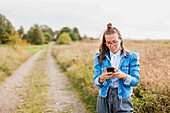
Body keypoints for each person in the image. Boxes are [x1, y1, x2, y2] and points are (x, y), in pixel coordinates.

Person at [93, 23, 140, 113]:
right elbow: (96, 81)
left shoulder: (131, 57)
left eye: (115, 42)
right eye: (109, 43)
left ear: (120, 40)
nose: (112, 45)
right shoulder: (99, 57)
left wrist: (123, 76)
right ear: (105, 43)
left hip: (123, 98)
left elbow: (135, 81)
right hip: (104, 97)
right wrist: (101, 78)